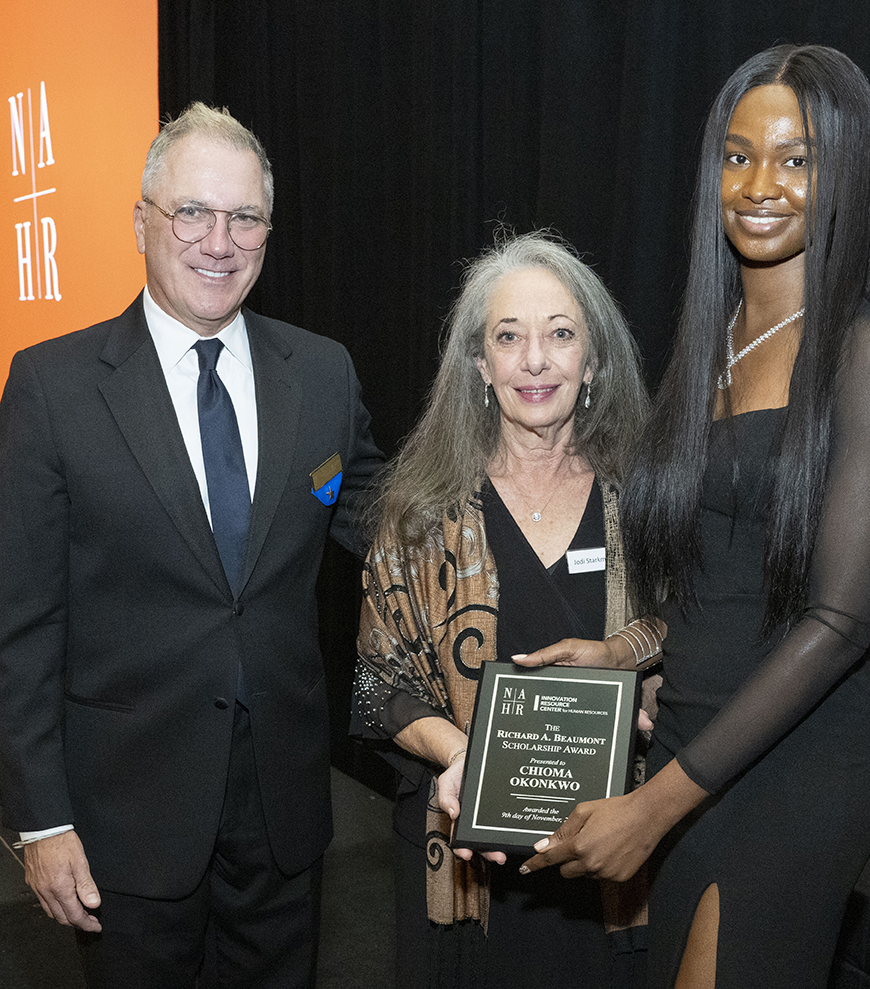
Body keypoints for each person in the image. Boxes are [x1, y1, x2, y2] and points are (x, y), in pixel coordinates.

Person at [518, 45, 870, 989]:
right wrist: (627, 654)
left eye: (797, 158)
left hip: (800, 762)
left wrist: (655, 806)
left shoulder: (869, 352)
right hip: (696, 743)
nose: (761, 185)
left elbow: (834, 624)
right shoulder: (712, 343)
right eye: (739, 156)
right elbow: (719, 578)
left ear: (845, 174)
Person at [0, 102, 382, 988]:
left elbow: (388, 522)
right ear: (142, 222)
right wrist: (42, 822)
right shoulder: (52, 387)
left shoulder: (321, 373)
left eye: (245, 217)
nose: (218, 240)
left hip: (282, 809)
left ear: (269, 232)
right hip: (126, 818)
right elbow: (17, 630)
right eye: (191, 212)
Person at [352, 230, 664, 988]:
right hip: (465, 857)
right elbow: (374, 682)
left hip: (609, 859)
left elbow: (686, 634)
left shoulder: (649, 504)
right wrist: (463, 755)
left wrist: (643, 680)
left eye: (560, 335)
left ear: (591, 363)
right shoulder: (419, 510)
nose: (534, 359)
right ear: (479, 365)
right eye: (508, 336)